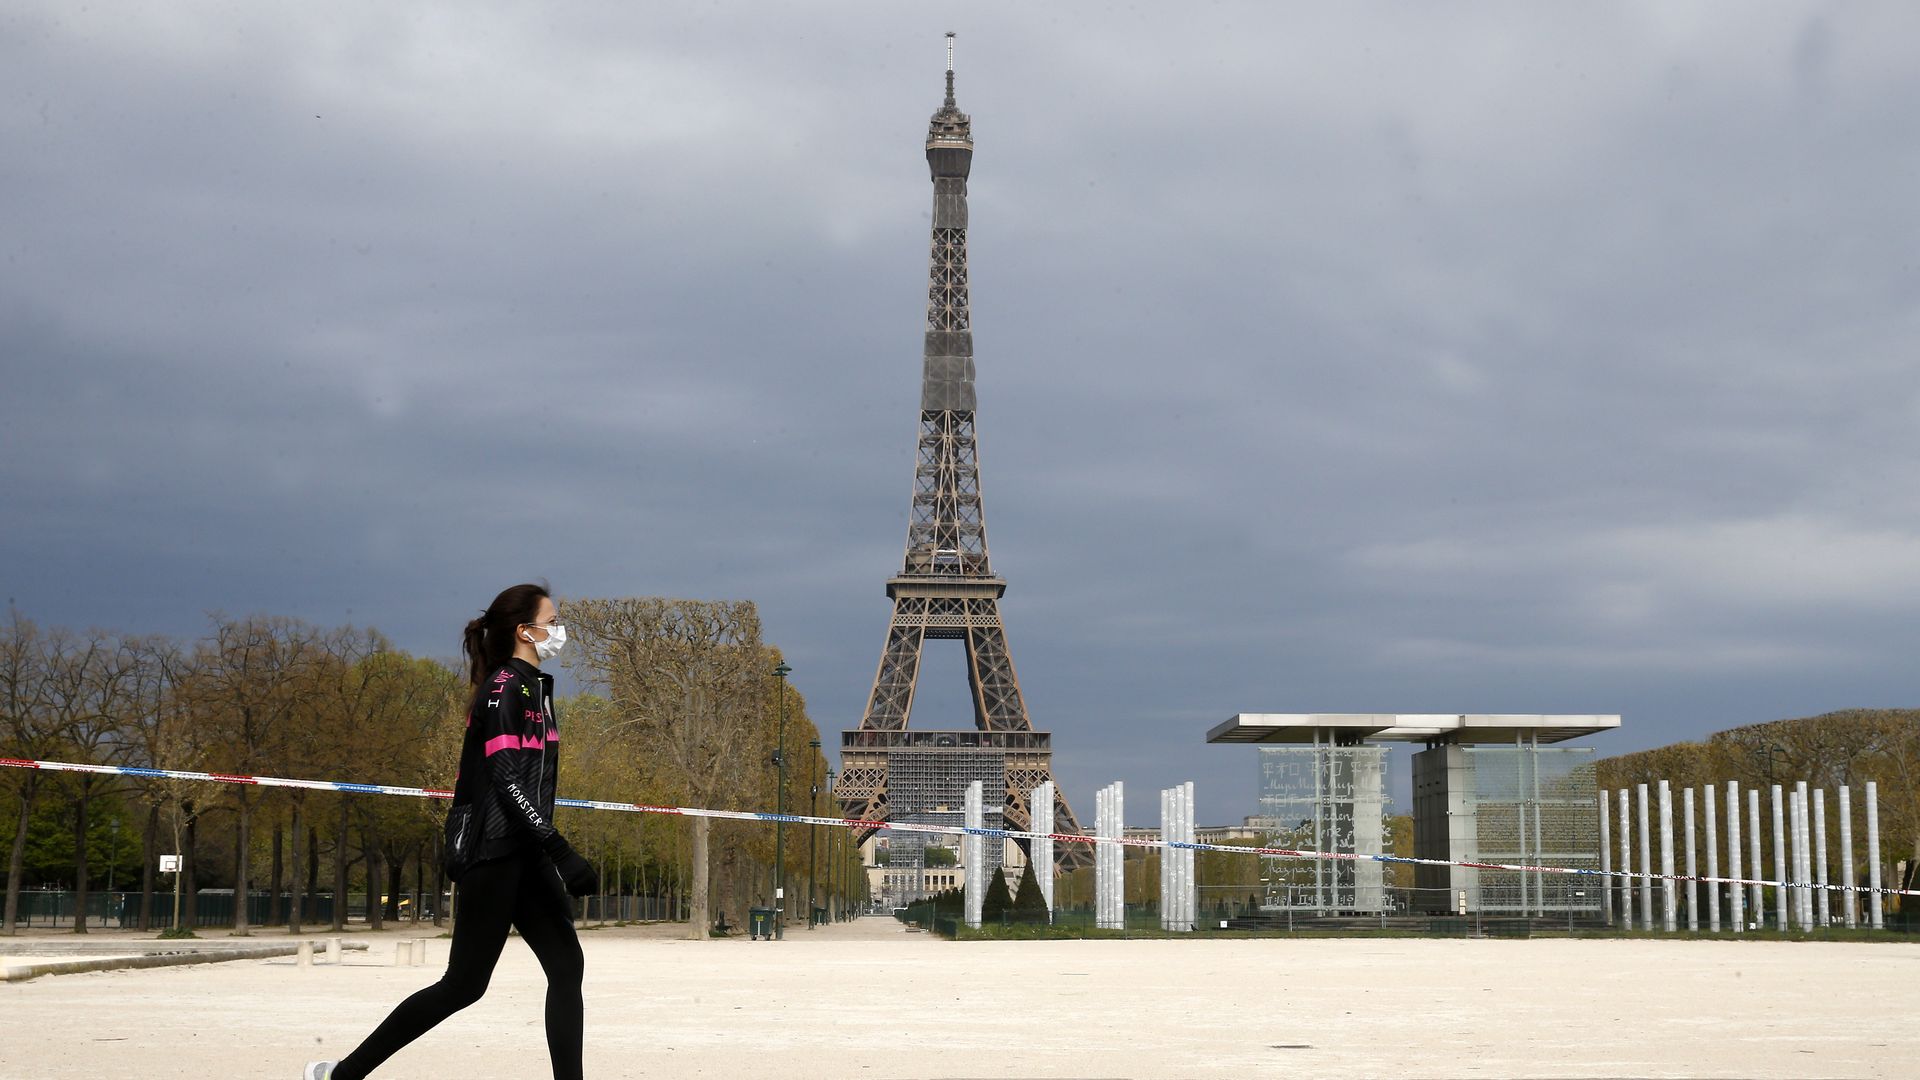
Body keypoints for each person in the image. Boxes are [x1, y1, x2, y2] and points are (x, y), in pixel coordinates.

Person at [307, 583, 598, 1080]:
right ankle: (341, 1075)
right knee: (464, 985)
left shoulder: (535, 687)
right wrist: (559, 847)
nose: (559, 629)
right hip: (493, 852)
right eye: (552, 620)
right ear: (525, 630)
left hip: (525, 850)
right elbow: (506, 777)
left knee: (567, 967)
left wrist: (546, 847)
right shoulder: (505, 687)